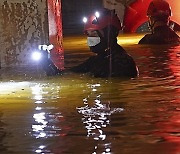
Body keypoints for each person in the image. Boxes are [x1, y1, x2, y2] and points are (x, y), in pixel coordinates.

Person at [71, 8, 139, 78]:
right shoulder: (95, 60)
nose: (90, 39)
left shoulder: (123, 62)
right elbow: (69, 73)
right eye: (88, 34)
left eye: (94, 34)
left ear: (109, 33)